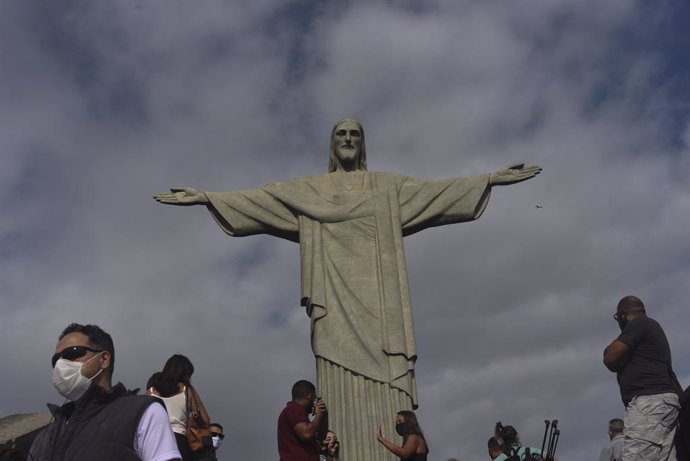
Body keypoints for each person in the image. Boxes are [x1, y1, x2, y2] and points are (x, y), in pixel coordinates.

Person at [154, 118, 542, 460]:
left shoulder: (387, 187)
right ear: (332, 143)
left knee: (386, 383)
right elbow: (262, 199)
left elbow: (436, 194)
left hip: (381, 304)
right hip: (334, 304)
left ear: (363, 143)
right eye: (341, 133)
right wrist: (208, 197)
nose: (348, 139)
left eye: (355, 134)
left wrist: (488, 179)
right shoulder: (310, 191)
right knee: (339, 386)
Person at [29, 323, 181, 461]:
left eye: (72, 353)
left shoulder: (142, 412)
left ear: (104, 359)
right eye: (55, 360)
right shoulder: (46, 436)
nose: (60, 364)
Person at [603, 295, 682, 461]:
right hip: (664, 404)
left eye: (618, 318)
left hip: (649, 405)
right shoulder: (650, 328)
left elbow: (610, 358)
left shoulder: (638, 324)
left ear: (623, 314)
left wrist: (613, 346)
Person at [150, 354, 213, 461]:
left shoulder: (150, 391)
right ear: (183, 373)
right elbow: (205, 419)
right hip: (179, 442)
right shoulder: (187, 390)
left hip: (154, 441)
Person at [277, 380, 328, 461]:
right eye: (314, 397)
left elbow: (320, 437)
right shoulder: (294, 409)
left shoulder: (300, 414)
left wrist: (324, 415)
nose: (314, 401)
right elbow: (306, 434)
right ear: (309, 395)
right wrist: (318, 415)